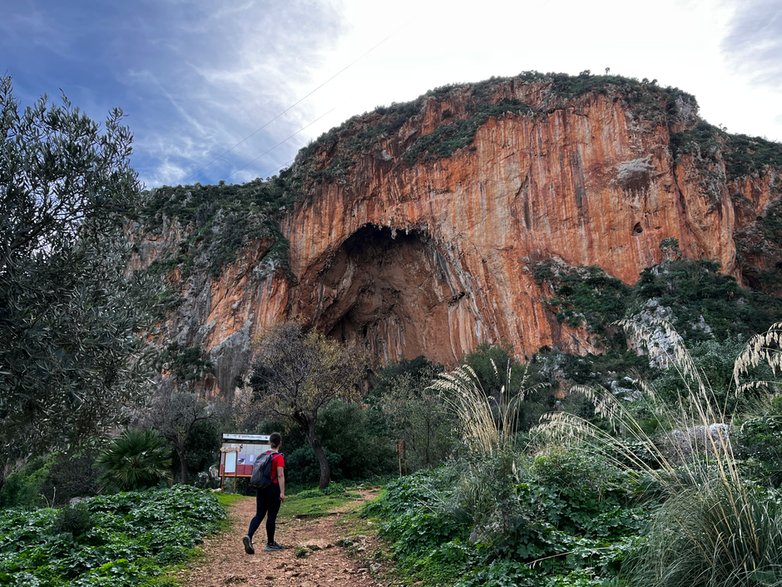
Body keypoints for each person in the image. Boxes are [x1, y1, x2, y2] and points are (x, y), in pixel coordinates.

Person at [243, 432, 286, 554]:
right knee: (271, 515)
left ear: (269, 442)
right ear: (280, 443)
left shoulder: (264, 455)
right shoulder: (279, 457)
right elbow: (280, 475)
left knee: (259, 514)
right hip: (273, 488)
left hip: (261, 488)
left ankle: (249, 536)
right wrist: (282, 492)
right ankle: (270, 543)